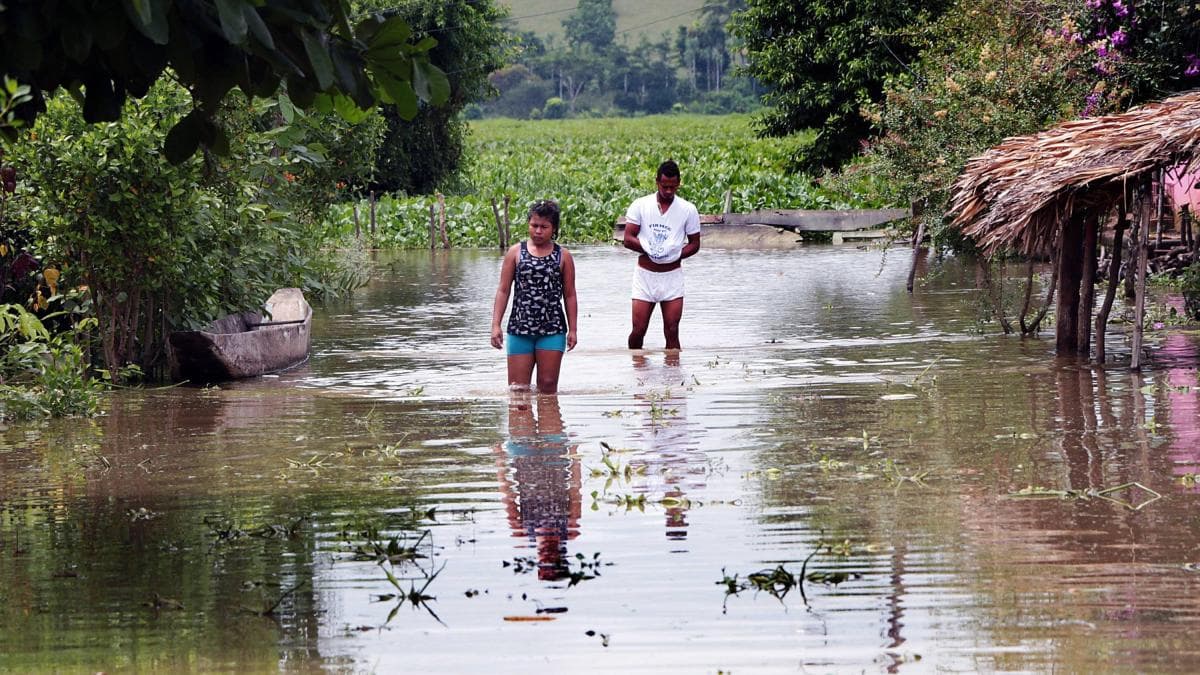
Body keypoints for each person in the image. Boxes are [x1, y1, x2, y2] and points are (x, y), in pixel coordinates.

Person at [491, 199, 578, 393]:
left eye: (544, 227)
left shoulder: (563, 256)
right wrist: (495, 325)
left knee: (548, 387)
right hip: (520, 328)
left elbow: (570, 295)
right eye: (534, 225)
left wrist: (573, 329)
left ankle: (550, 422)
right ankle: (522, 424)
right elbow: (503, 290)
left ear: (553, 228)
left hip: (552, 329)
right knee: (518, 389)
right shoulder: (515, 253)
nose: (538, 231)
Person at [622, 159, 701, 350]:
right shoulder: (641, 205)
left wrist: (676, 254)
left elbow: (695, 244)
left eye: (673, 187)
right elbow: (627, 238)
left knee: (672, 329)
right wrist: (647, 248)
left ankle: (673, 373)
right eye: (664, 186)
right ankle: (636, 368)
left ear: (679, 184)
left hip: (672, 277)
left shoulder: (688, 210)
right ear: (657, 182)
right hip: (645, 276)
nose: (668, 191)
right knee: (638, 330)